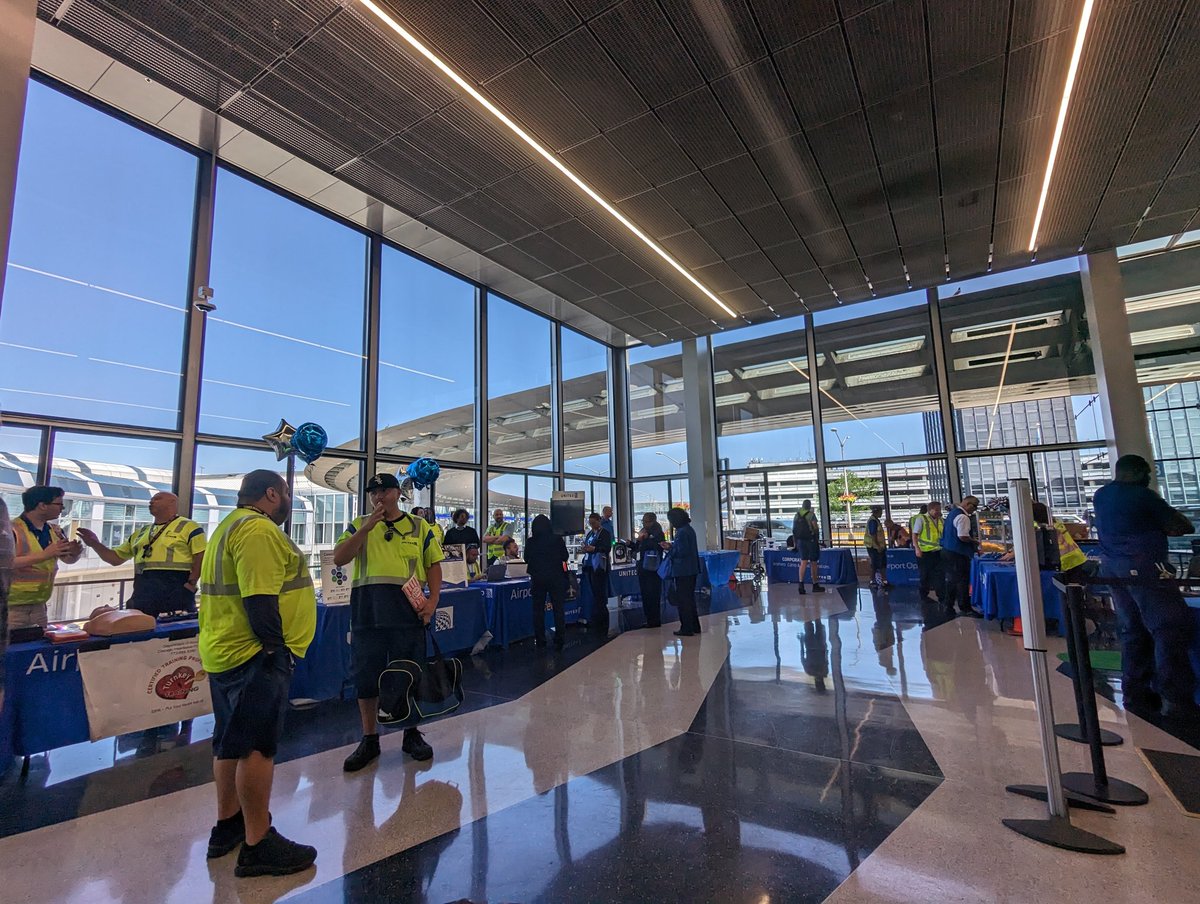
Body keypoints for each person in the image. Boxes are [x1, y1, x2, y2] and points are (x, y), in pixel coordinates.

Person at [198, 470, 317, 877]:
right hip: (254, 655)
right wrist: (275, 650)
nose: (288, 500)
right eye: (285, 492)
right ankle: (257, 842)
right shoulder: (258, 531)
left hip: (224, 649)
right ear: (271, 493)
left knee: (228, 743)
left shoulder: (227, 526)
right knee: (257, 748)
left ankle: (227, 825)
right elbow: (260, 597)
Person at [335, 473, 443, 772]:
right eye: (373, 492)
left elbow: (433, 564)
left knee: (409, 672)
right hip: (367, 611)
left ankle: (411, 733)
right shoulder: (359, 524)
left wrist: (433, 601)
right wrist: (366, 528)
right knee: (365, 675)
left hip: (407, 612)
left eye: (384, 490)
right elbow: (339, 558)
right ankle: (369, 738)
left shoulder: (418, 526)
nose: (378, 496)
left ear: (397, 493)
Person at [1094, 454, 1198, 722]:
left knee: (1132, 628)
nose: (1150, 477)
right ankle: (1174, 697)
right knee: (1168, 627)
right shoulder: (1143, 496)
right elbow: (1182, 525)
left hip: (1113, 570)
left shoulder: (1101, 495)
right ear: (1138, 472)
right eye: (1147, 472)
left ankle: (1135, 690)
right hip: (1145, 569)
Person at [78, 492, 206, 617]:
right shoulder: (141, 532)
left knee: (174, 629)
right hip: (143, 596)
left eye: (157, 498)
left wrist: (191, 584)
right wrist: (94, 544)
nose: (151, 501)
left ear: (172, 502)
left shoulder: (189, 527)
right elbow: (115, 559)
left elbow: (201, 556)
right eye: (151, 499)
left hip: (176, 595)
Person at [8, 485, 82, 630]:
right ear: (42, 505)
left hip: (39, 605)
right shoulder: (11, 530)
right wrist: (45, 554)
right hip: (11, 607)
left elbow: (67, 559)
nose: (62, 509)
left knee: (38, 641)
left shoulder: (55, 531)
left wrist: (75, 553)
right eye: (59, 504)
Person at [525, 514, 569, 649]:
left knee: (538, 610)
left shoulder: (531, 542)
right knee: (558, 608)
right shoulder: (557, 539)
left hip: (538, 578)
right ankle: (560, 638)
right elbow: (565, 556)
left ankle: (540, 639)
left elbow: (526, 558)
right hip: (556, 577)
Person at [662, 507, 701, 637]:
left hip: (683, 570)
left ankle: (686, 627)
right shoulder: (689, 529)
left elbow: (681, 552)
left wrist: (670, 549)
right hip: (691, 569)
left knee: (683, 600)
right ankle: (694, 626)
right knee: (689, 599)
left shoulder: (682, 532)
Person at [940, 495, 981, 617]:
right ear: (968, 504)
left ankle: (948, 605)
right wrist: (975, 542)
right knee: (962, 581)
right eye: (974, 507)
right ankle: (965, 608)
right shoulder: (963, 517)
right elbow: (962, 536)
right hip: (958, 553)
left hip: (947, 550)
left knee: (951, 580)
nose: (974, 510)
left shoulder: (952, 513)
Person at [581, 511, 612, 639]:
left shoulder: (604, 533)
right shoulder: (590, 534)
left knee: (599, 594)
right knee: (593, 593)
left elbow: (607, 548)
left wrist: (594, 549)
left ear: (599, 521)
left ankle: (602, 620)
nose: (592, 525)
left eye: (594, 523)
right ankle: (595, 617)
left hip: (599, 567)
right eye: (590, 523)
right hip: (589, 566)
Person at [635, 512, 666, 627]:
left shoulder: (658, 533)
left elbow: (657, 546)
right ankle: (648, 619)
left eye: (646, 521)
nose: (644, 523)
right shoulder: (643, 531)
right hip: (642, 567)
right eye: (643, 521)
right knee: (645, 594)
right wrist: (636, 542)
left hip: (653, 568)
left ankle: (654, 620)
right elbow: (638, 547)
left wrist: (645, 539)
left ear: (653, 521)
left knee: (653, 594)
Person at [912, 501, 944, 602]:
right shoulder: (922, 519)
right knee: (925, 575)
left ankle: (941, 595)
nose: (938, 512)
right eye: (936, 510)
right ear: (930, 510)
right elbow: (915, 535)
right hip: (925, 552)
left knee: (939, 574)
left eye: (939, 510)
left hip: (938, 551)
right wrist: (917, 548)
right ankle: (924, 596)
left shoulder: (941, 520)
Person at [791, 499, 824, 594]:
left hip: (800, 541)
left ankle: (801, 585)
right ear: (809, 506)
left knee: (803, 562)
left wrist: (795, 543)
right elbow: (815, 528)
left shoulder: (796, 515)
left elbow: (794, 530)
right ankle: (815, 585)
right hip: (811, 541)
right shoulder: (811, 515)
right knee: (813, 562)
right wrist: (817, 538)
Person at [864, 506, 890, 589]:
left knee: (882, 564)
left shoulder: (876, 520)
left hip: (879, 547)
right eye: (881, 512)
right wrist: (877, 546)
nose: (881, 513)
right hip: (874, 547)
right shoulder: (873, 521)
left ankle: (883, 581)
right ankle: (873, 581)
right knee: (875, 565)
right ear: (877, 512)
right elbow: (873, 535)